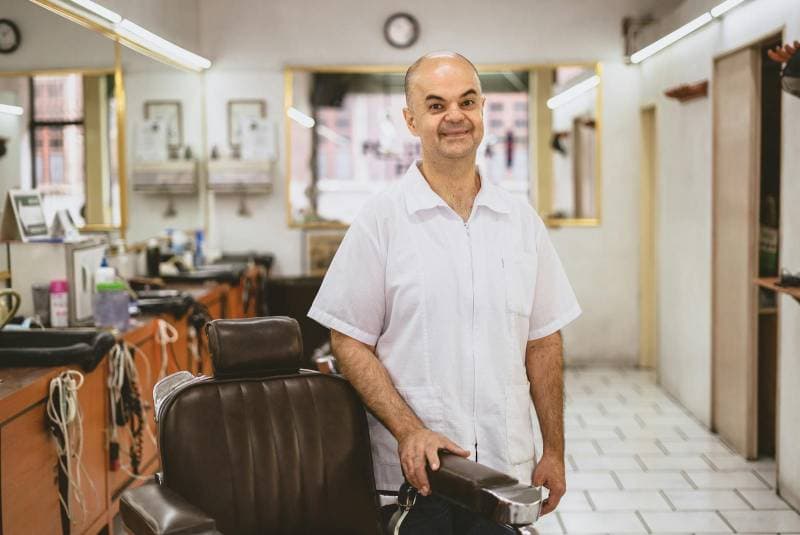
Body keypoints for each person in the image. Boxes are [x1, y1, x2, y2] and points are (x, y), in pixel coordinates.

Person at [308, 51, 581, 534]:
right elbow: (348, 339)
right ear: (411, 120)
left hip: (504, 471)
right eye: (436, 106)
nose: (454, 116)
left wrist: (554, 449)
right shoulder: (382, 220)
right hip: (416, 481)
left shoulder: (520, 222)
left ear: (482, 112)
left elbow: (543, 340)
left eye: (466, 102)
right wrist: (409, 430)